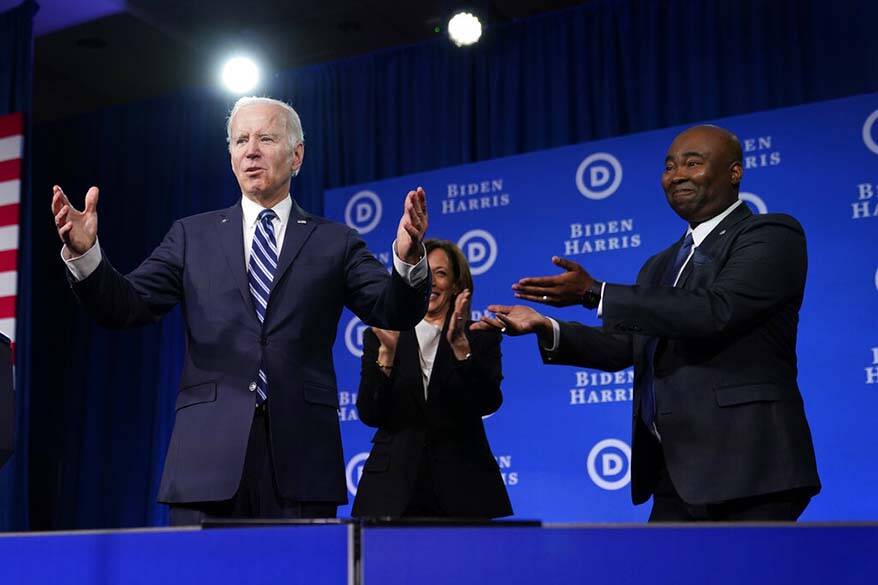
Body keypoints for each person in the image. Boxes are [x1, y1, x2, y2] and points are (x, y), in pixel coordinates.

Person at [50, 96, 431, 524]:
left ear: (296, 155)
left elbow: (392, 310)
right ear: (231, 155)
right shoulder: (192, 235)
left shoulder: (336, 241)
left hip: (301, 461)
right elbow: (125, 307)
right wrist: (87, 257)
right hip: (205, 461)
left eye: (266, 138)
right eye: (240, 140)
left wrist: (408, 258)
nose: (251, 150)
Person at [475, 125, 820, 522]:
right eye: (669, 166)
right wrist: (545, 326)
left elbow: (715, 310)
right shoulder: (659, 264)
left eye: (693, 163)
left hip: (751, 469)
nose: (677, 175)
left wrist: (595, 293)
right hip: (674, 473)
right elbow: (625, 345)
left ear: (734, 172)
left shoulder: (771, 234)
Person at [352, 239, 511, 518]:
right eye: (425, 273)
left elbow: (487, 402)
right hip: (392, 489)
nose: (432, 283)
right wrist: (387, 355)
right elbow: (370, 413)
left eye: (441, 273)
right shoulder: (384, 335)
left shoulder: (480, 335)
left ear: (456, 285)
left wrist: (461, 347)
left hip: (464, 485)